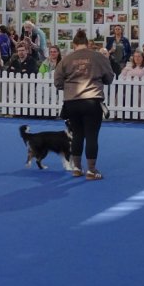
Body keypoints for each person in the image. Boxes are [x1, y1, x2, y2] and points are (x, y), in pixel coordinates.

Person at [54, 29, 114, 180]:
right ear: (87, 44)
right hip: (92, 100)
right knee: (91, 136)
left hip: (72, 102)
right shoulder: (98, 57)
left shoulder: (66, 59)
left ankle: (77, 168)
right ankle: (91, 171)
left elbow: (58, 82)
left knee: (77, 135)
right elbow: (109, 78)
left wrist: (69, 86)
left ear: (74, 44)